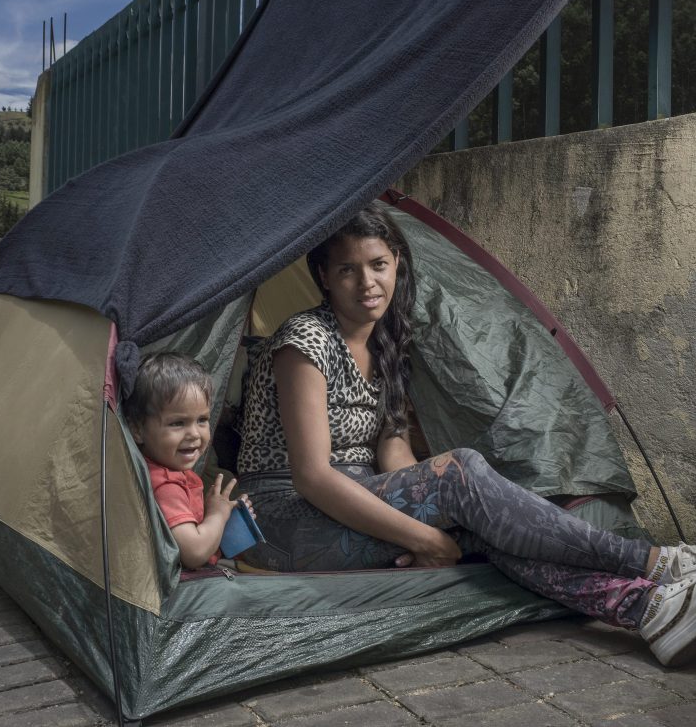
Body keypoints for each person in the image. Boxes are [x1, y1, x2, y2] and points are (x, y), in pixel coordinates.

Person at [237, 200, 696, 667]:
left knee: (479, 522)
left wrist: (439, 511)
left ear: (397, 262)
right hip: (282, 520)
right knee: (460, 471)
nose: (368, 283)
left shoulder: (386, 342)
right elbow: (312, 476)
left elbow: (392, 449)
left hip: (354, 496)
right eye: (348, 270)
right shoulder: (304, 341)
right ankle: (653, 561)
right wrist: (423, 535)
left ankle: (650, 609)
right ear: (324, 277)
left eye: (378, 265)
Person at [126, 352, 255, 569]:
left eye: (202, 420)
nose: (194, 434)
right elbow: (194, 553)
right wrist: (217, 515)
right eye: (178, 423)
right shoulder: (165, 485)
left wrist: (227, 521)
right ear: (138, 429)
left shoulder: (176, 474)